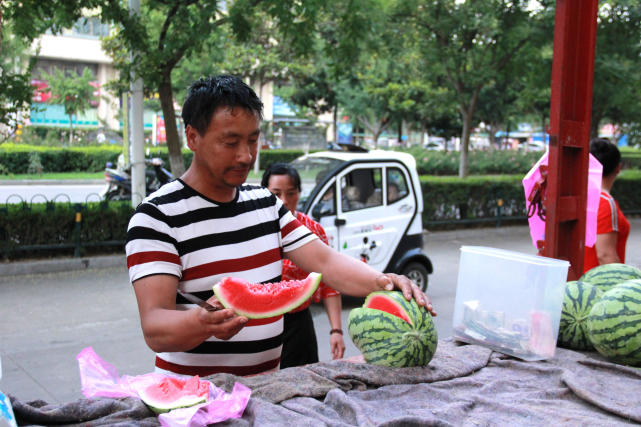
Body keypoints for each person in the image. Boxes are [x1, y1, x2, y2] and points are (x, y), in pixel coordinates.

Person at [125, 75, 435, 377]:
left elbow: (325, 261)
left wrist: (383, 281)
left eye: (253, 140)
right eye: (230, 142)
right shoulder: (156, 217)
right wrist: (201, 323)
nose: (246, 155)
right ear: (192, 137)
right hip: (191, 402)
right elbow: (154, 326)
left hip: (267, 393)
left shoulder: (266, 204)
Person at [261, 163, 346, 367]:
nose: (284, 201)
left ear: (299, 193)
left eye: (291, 193)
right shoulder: (251, 231)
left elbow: (330, 284)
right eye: (276, 193)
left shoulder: (313, 230)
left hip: (299, 326)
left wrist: (336, 331)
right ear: (264, 193)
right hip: (260, 324)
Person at [584, 138, 630, 273]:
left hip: (577, 284)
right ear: (618, 168)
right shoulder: (604, 202)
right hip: (599, 286)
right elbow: (605, 255)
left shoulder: (580, 198)